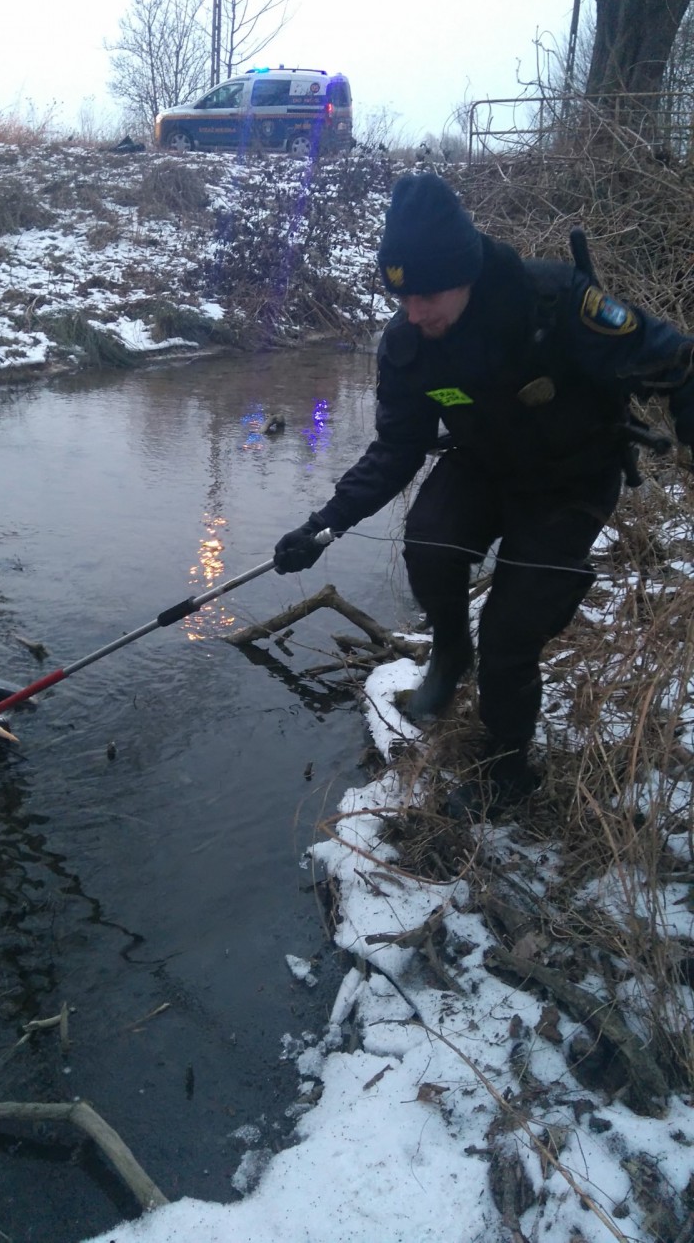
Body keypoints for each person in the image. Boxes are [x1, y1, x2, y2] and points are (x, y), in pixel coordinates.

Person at [273, 173, 694, 817]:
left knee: (510, 634)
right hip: (486, 465)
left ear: (466, 273)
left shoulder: (554, 303)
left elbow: (672, 356)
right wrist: (323, 525)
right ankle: (448, 647)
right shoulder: (408, 343)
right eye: (401, 295)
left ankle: (506, 769)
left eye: (427, 294)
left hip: (572, 477)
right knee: (430, 545)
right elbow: (395, 449)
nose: (413, 311)